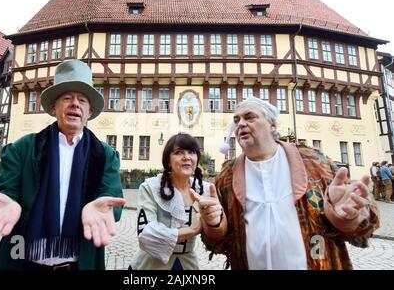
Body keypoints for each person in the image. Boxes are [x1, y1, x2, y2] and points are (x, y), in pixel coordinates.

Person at [0, 59, 125, 270]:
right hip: (23, 261)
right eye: (67, 98)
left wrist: (105, 207)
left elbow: (112, 200)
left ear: (89, 110)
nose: (75, 104)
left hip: (79, 264)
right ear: (53, 106)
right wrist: (5, 202)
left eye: (82, 100)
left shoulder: (105, 155)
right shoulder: (23, 148)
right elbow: (3, 192)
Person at [200, 96, 379, 270]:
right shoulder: (226, 177)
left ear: (273, 124)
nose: (240, 124)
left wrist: (347, 218)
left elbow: (363, 224)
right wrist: (214, 225)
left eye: (249, 117)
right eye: (236, 120)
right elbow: (217, 243)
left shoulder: (314, 162)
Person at [129, 133, 221, 270]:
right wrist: (192, 229)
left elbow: (216, 235)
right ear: (168, 161)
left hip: (187, 266)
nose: (187, 157)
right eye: (179, 152)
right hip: (150, 265)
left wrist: (215, 221)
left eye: (191, 152)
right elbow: (147, 235)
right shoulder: (150, 187)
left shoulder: (206, 190)